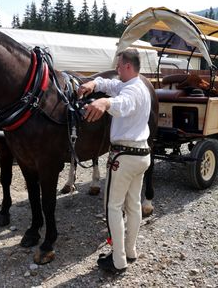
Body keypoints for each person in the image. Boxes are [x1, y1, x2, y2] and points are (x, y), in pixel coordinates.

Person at [78, 49, 151, 274]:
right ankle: (130, 250)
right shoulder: (134, 84)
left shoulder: (132, 92)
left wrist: (104, 104)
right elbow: (110, 84)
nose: (117, 70)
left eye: (119, 66)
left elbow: (123, 103)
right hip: (141, 155)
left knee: (113, 206)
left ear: (128, 66)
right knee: (133, 204)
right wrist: (93, 84)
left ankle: (118, 261)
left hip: (124, 157)